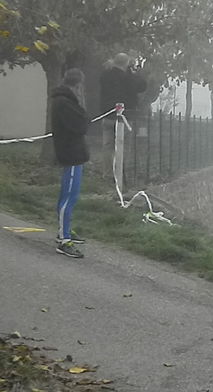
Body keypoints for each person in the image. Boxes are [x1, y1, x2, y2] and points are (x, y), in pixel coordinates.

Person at [51, 68, 90, 258]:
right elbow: (82, 125)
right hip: (71, 153)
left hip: (72, 152)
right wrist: (82, 105)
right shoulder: (65, 103)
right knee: (70, 197)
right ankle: (63, 238)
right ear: (77, 85)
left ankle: (65, 228)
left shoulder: (64, 101)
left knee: (66, 195)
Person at [99, 53, 147, 178]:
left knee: (107, 146)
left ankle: (107, 173)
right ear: (127, 64)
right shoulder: (128, 77)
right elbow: (142, 86)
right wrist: (133, 72)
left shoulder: (105, 75)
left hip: (107, 114)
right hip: (124, 117)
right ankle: (120, 173)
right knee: (122, 145)